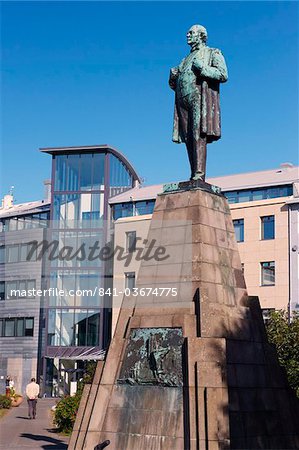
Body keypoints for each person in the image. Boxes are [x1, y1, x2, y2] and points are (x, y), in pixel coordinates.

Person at [169, 24, 228, 181]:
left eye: (191, 33)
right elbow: (173, 85)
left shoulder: (212, 52)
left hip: (199, 97)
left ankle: (199, 174)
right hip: (182, 99)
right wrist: (173, 77)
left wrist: (202, 68)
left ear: (201, 35)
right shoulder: (185, 59)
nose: (187, 35)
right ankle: (193, 173)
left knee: (197, 135)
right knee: (188, 138)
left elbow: (223, 74)